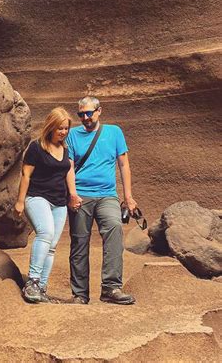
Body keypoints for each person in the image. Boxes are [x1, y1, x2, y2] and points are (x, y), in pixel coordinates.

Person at [66, 96, 137, 305]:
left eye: (89, 113)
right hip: (80, 194)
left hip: (107, 194)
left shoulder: (114, 132)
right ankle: (80, 294)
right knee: (79, 241)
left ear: (99, 111)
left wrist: (128, 197)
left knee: (115, 229)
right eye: (81, 114)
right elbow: (69, 166)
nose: (85, 118)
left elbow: (124, 165)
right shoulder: (71, 135)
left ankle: (111, 288)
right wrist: (72, 194)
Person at [15, 107, 81, 303]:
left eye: (65, 128)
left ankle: (42, 288)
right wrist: (20, 201)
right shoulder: (37, 147)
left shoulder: (66, 148)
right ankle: (32, 282)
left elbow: (69, 171)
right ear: (50, 127)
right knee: (45, 233)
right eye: (59, 128)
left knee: (52, 246)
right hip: (37, 197)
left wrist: (73, 195)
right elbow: (26, 174)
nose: (62, 132)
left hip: (59, 202)